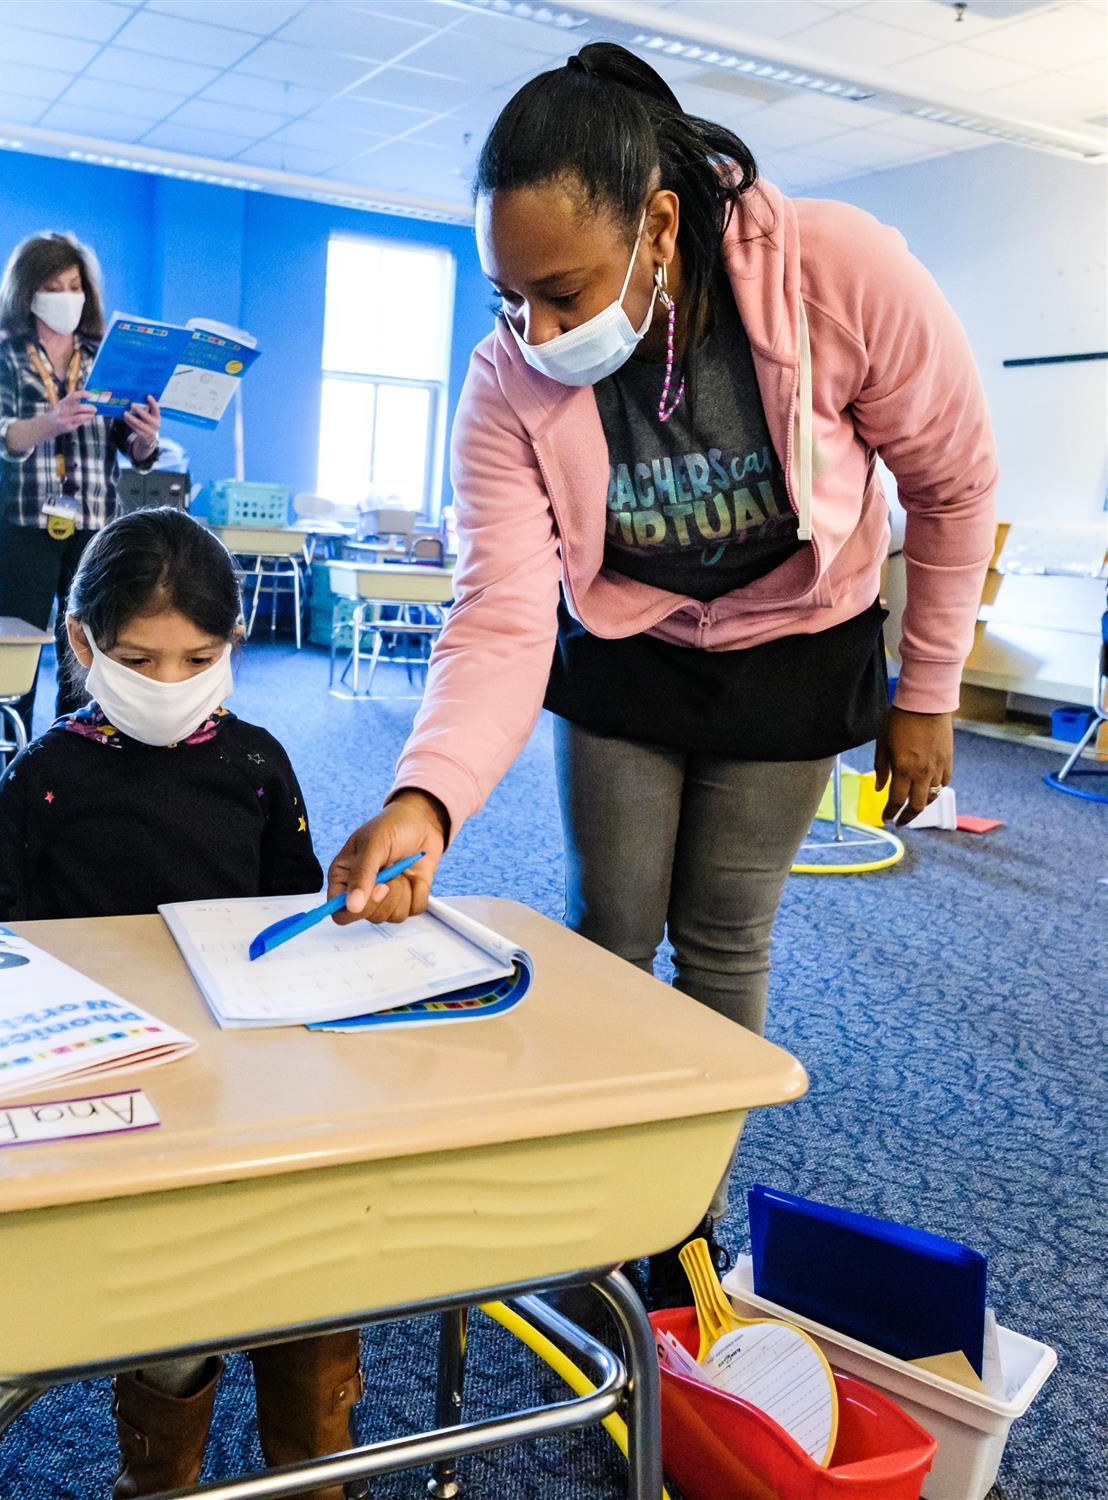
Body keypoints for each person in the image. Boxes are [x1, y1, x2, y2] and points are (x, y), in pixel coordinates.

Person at [325, 45, 996, 1306]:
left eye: (563, 289)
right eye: (506, 296)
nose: (535, 329)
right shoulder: (505, 384)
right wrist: (426, 800)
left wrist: (927, 691)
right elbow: (500, 616)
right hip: (628, 651)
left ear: (661, 225)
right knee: (610, 929)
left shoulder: (839, 274)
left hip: (800, 649)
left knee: (726, 934)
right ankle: (596, 1206)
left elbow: (953, 484)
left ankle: (672, 1231)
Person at [0, 508, 359, 1500]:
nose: (169, 683)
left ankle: (319, 1474)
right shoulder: (50, 775)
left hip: (245, 1078)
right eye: (137, 657)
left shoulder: (257, 765)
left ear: (232, 646)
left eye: (196, 656)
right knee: (184, 1284)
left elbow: (295, 912)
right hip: (115, 1097)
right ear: (83, 644)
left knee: (321, 1260)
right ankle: (159, 1478)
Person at [0, 230, 163, 739]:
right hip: (23, 522)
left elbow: (132, 447)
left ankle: (69, 769)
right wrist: (53, 421)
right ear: (28, 293)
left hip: (93, 526)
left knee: (83, 659)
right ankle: (0, 776)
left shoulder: (108, 357)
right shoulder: (5, 355)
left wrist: (147, 438)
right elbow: (0, 434)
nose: (68, 296)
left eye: (74, 284)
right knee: (13, 658)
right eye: (54, 285)